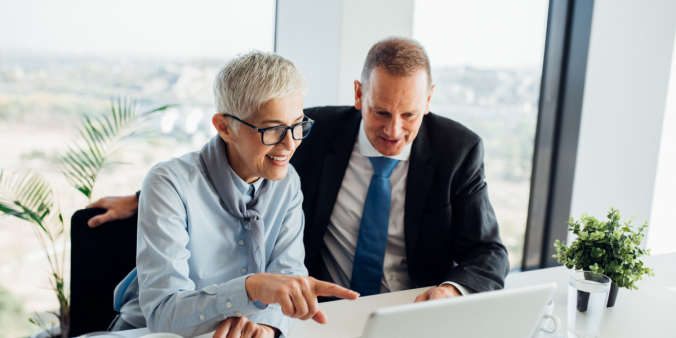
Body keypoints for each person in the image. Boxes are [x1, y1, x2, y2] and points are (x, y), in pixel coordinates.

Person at [90, 37, 509, 305]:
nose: (394, 131)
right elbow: (239, 148)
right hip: (318, 308)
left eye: (410, 114)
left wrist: (451, 290)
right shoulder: (308, 130)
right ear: (359, 95)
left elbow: (488, 253)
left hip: (408, 310)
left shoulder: (459, 150)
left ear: (430, 100)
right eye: (381, 111)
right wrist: (145, 197)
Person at [109, 51, 358, 338]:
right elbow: (163, 316)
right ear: (225, 128)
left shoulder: (287, 181)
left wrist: (265, 326)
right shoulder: (170, 184)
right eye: (273, 129)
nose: (290, 144)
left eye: (297, 125)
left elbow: (289, 276)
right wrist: (250, 288)